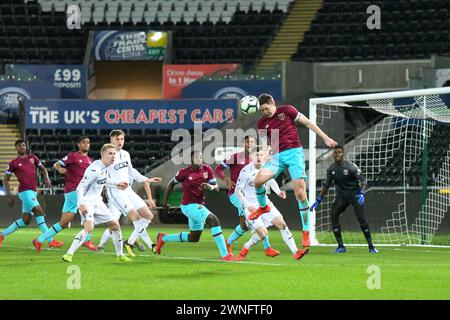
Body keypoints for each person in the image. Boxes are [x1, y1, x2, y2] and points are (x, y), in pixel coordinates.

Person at [250, 93, 337, 250]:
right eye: (262, 110)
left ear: (273, 103)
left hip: (294, 153)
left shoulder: (288, 111)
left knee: (300, 194)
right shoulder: (261, 123)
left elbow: (308, 123)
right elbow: (265, 146)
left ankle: (306, 231)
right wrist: (263, 156)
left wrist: (325, 137)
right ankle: (263, 207)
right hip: (276, 157)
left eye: (266, 108)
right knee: (257, 181)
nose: (265, 112)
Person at [157, 150, 235, 261]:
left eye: (201, 158)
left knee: (194, 237)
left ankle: (163, 238)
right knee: (214, 220)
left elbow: (216, 187)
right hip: (188, 206)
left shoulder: (207, 169)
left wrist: (210, 187)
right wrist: (164, 203)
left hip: (198, 205)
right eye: (197, 158)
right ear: (191, 160)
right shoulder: (184, 172)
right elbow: (171, 184)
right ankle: (225, 255)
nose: (199, 160)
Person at [61, 144, 131, 262]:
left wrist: (116, 184)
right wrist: (81, 204)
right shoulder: (94, 168)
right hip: (87, 201)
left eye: (114, 154)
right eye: (110, 154)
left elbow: (102, 180)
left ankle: (120, 255)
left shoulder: (106, 167)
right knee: (89, 227)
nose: (113, 156)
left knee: (115, 225)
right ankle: (69, 254)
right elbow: (80, 187)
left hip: (98, 201)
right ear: (102, 155)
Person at [234, 149, 308, 260]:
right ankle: (245, 247)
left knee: (282, 224)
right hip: (251, 207)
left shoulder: (265, 168)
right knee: (263, 234)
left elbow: (271, 181)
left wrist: (278, 192)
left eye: (261, 155)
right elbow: (237, 191)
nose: (259, 157)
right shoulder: (245, 171)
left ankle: (295, 252)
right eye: (256, 155)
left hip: (265, 203)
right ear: (251, 157)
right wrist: (247, 205)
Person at [97, 130, 161, 257]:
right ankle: (149, 245)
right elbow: (100, 178)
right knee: (131, 219)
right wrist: (115, 184)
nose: (120, 142)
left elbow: (131, 171)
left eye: (122, 139)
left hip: (128, 191)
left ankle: (130, 242)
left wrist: (145, 179)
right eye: (117, 139)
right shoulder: (108, 156)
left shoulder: (126, 154)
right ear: (111, 140)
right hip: (116, 193)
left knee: (148, 216)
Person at [310, 146, 378, 253]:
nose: (337, 154)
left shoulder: (350, 167)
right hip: (342, 196)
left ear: (343, 154)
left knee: (361, 219)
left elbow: (363, 180)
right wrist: (319, 199)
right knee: (333, 215)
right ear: (333, 155)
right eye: (335, 152)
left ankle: (371, 246)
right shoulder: (331, 169)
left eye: (339, 152)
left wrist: (361, 193)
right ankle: (341, 246)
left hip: (355, 195)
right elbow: (326, 185)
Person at [33, 136, 96, 251]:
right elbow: (56, 164)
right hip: (74, 191)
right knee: (87, 212)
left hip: (76, 193)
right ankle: (87, 240)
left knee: (64, 223)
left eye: (88, 142)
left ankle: (39, 240)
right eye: (83, 142)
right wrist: (60, 169)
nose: (86, 144)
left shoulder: (90, 161)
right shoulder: (73, 156)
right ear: (78, 144)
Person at [215, 136, 273, 254]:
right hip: (236, 194)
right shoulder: (236, 157)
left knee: (243, 226)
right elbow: (217, 169)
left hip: (250, 197)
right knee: (253, 216)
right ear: (244, 143)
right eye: (247, 142)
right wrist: (225, 179)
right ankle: (268, 247)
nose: (250, 144)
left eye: (252, 142)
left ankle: (228, 243)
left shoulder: (256, 159)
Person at [0, 140, 63, 248]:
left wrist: (47, 179)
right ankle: (50, 240)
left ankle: (2, 235)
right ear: (16, 148)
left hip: (32, 192)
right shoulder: (13, 163)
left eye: (23, 145)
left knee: (26, 220)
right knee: (39, 211)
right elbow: (5, 180)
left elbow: (43, 169)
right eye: (19, 146)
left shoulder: (33, 158)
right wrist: (9, 196)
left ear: (26, 147)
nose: (22, 147)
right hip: (24, 191)